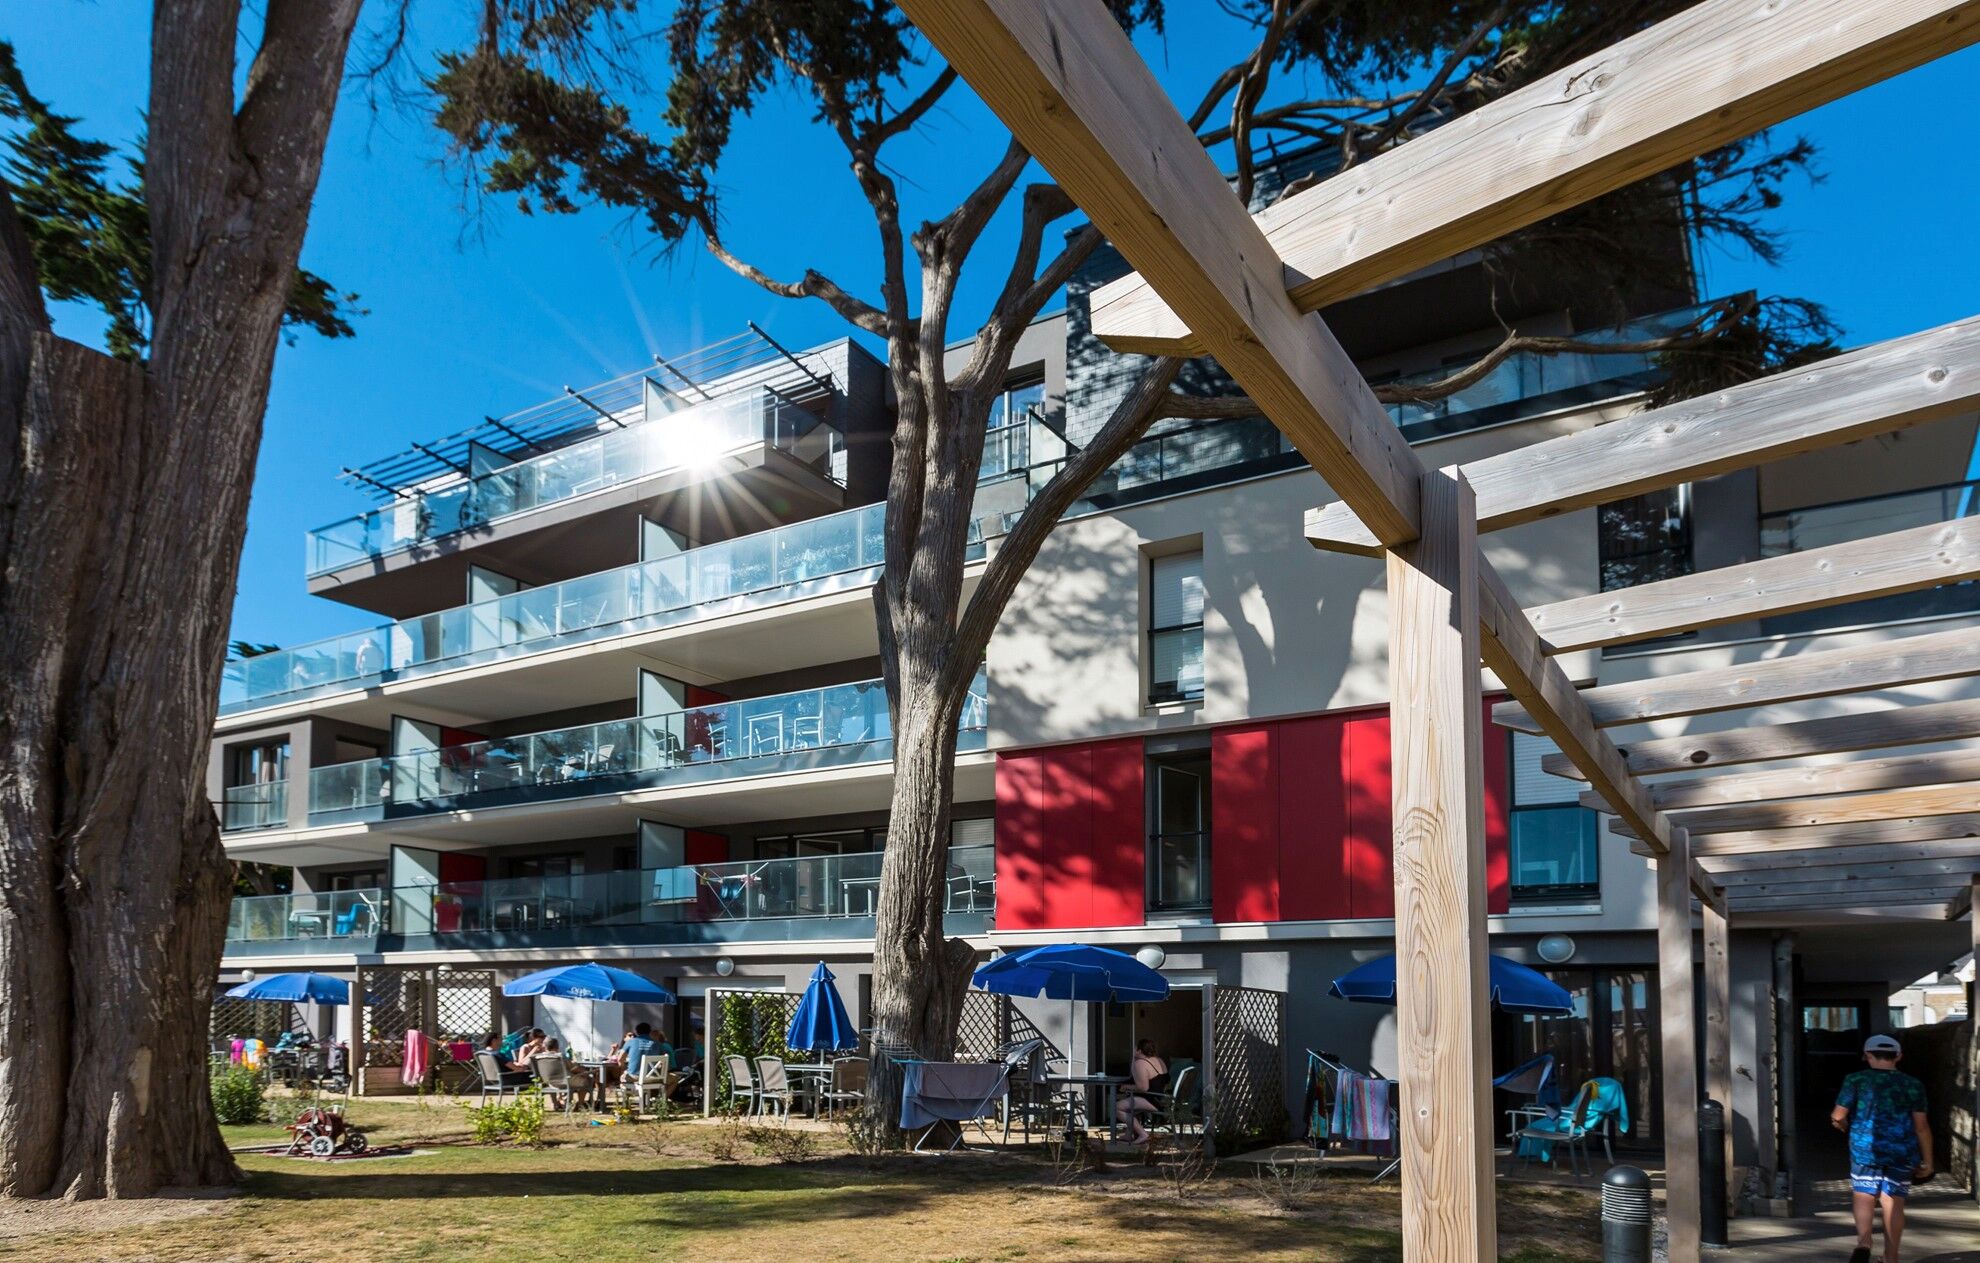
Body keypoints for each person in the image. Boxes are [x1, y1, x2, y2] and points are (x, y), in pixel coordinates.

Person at [1831, 1033, 1933, 1263]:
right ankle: (1891, 1257)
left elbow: (1838, 1116)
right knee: (1893, 1201)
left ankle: (1864, 1243)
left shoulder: (1855, 1080)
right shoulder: (1913, 1084)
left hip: (1864, 1150)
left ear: (1867, 1055)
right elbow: (1921, 1126)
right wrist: (1928, 1161)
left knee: (1864, 1194)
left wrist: (1844, 1126)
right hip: (1902, 1152)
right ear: (1898, 1056)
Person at [1115, 1038, 1169, 1144]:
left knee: (1117, 1107)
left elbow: (1143, 1088)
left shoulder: (1140, 1063)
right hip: (1164, 1099)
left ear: (1139, 1051)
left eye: (1135, 1048)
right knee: (1130, 1102)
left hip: (1154, 1100)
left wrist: (1126, 1087)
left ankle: (1143, 1134)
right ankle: (1129, 1133)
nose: (1133, 1050)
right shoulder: (1159, 1060)